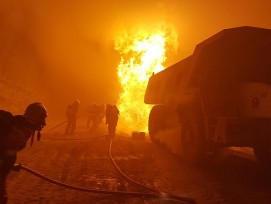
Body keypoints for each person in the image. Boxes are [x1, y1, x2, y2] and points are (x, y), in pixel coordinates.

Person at [0, 102, 48, 204]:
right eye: (42, 118)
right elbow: (9, 157)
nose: (44, 123)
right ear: (35, 117)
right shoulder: (22, 132)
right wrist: (7, 165)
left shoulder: (18, 123)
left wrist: (9, 164)